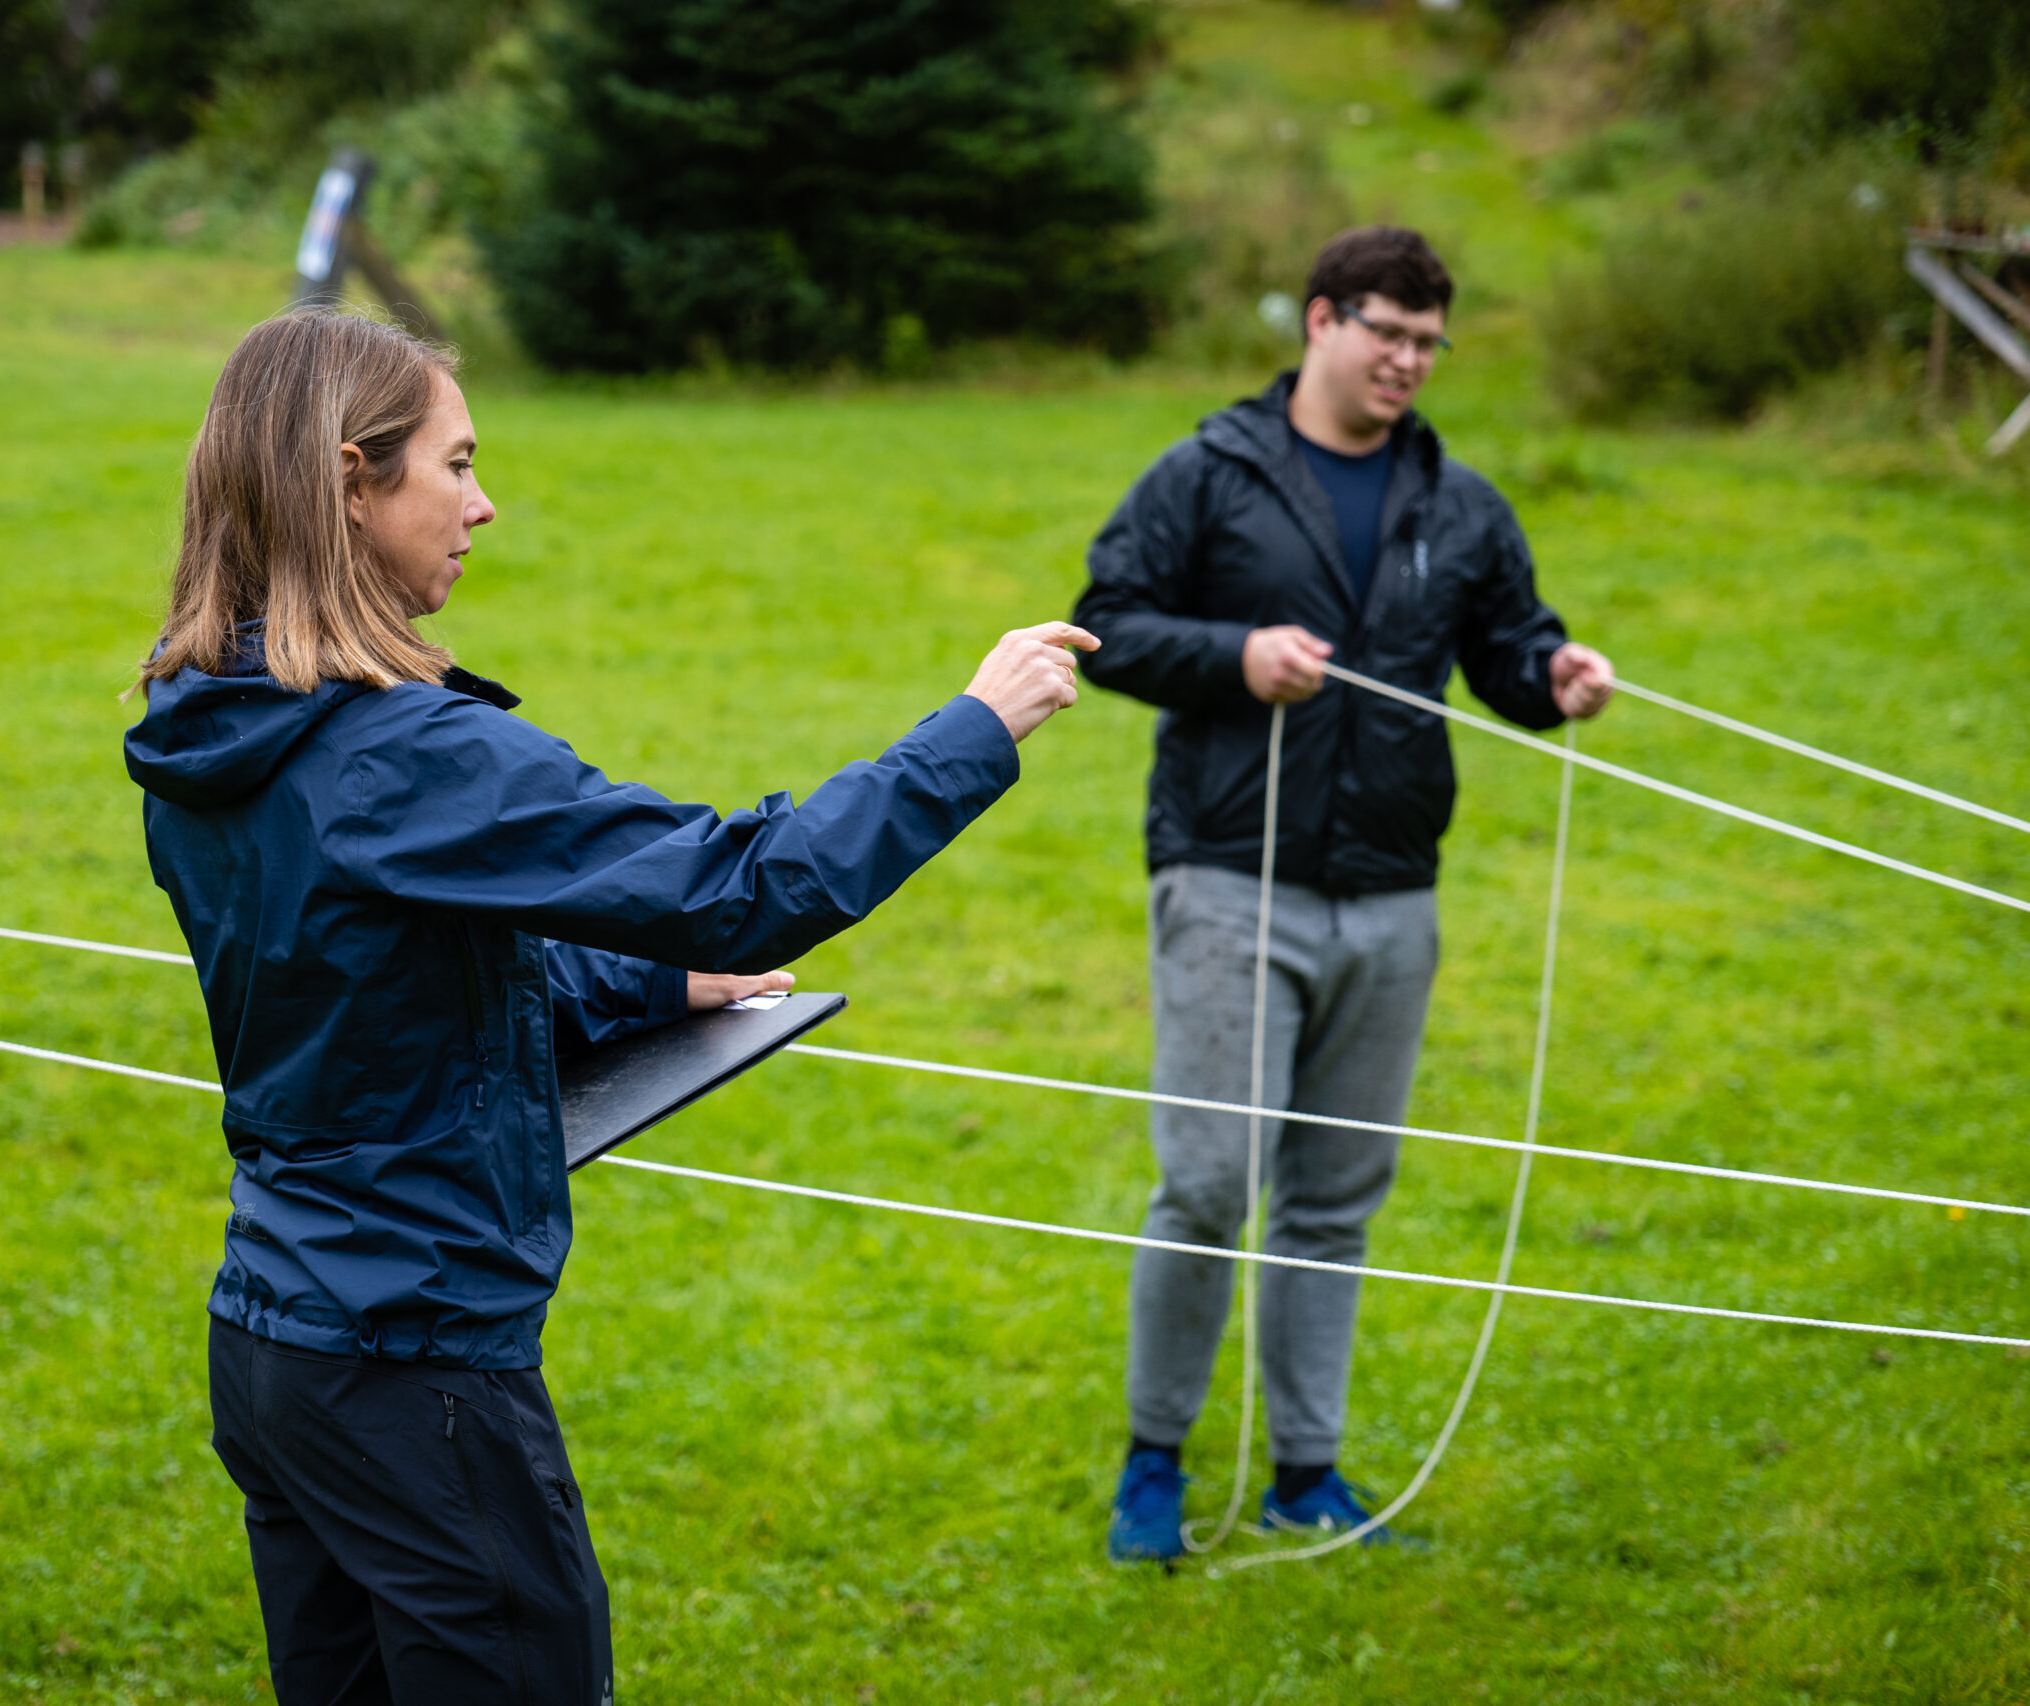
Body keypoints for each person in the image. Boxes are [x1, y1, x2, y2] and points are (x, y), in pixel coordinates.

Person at [124, 309, 1095, 1704]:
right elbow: (749, 887)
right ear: (350, 480)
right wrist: (973, 729)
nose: (483, 502)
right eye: (453, 466)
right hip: (416, 1363)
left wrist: (654, 977)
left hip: (277, 1345)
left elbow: (381, 978)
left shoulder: (209, 726)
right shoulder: (403, 755)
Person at [1073, 226, 1614, 1562]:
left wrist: (1556, 680)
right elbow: (1109, 619)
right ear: (1320, 319)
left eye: (1429, 343)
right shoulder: (1208, 473)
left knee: (1336, 1195)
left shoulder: (1462, 503)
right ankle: (1157, 1460)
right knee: (1206, 1181)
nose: (1407, 362)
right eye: (1386, 331)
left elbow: (1507, 653)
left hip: (1390, 896)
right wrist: (1235, 654)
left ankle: (1305, 1473)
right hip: (1224, 874)